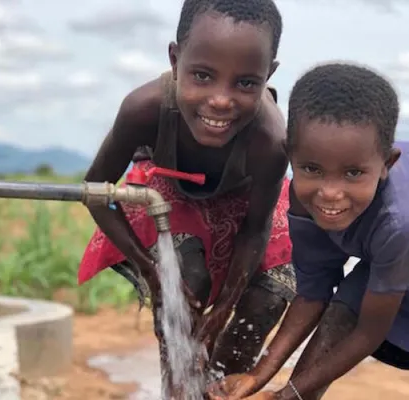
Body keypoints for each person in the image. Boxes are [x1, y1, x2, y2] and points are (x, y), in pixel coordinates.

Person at [208, 62, 409, 400]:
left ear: (387, 165)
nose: (330, 192)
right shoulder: (304, 200)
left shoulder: (403, 223)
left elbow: (370, 331)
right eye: (312, 168)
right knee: (337, 318)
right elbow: (313, 294)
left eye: (352, 173)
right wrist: (259, 376)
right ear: (290, 155)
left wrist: (284, 395)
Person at [77, 0, 295, 396]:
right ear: (176, 61)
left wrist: (226, 305)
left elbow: (257, 228)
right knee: (183, 284)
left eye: (246, 83)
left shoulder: (270, 140)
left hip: (244, 204)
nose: (221, 100)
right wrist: (150, 270)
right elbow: (97, 192)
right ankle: (178, 389)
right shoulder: (145, 109)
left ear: (269, 75)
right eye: (203, 75)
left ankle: (220, 388)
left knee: (268, 296)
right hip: (169, 194)